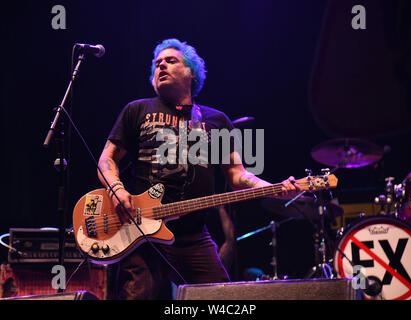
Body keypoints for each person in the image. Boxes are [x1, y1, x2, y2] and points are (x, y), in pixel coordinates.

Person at [97, 38, 302, 299]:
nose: (161, 66)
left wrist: (273, 188)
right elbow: (107, 159)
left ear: (191, 72)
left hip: (193, 235)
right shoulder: (137, 110)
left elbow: (237, 175)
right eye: (157, 64)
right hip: (141, 232)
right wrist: (116, 190)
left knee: (221, 300)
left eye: (171, 61)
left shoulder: (216, 120)